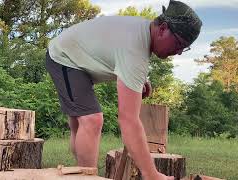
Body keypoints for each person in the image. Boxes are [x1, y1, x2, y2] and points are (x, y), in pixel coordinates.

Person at [45, 0, 202, 179]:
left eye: (185, 48)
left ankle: (80, 171)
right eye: (179, 44)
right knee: (91, 120)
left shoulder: (142, 31)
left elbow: (119, 48)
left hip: (77, 56)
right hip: (64, 56)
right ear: (163, 29)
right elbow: (128, 121)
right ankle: (86, 176)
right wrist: (151, 174)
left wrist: (142, 79)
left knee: (79, 122)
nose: (179, 52)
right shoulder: (134, 46)